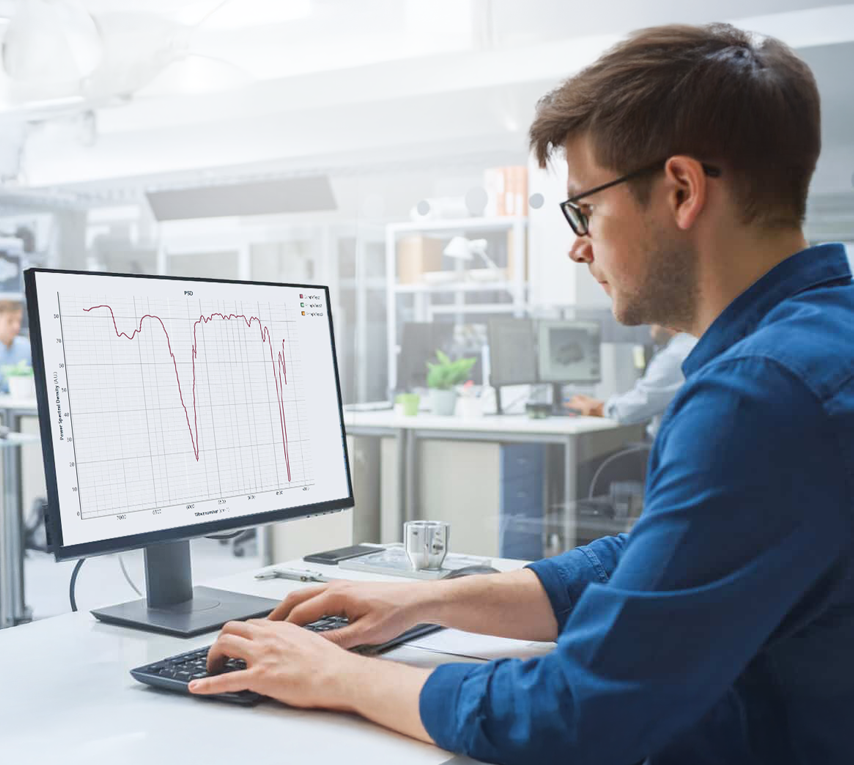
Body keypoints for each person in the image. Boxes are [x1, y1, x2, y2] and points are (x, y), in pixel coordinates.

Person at [188, 23, 854, 764]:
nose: (579, 244)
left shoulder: (760, 396)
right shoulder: (820, 343)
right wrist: (425, 600)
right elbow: (657, 565)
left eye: (585, 208)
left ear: (681, 189)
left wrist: (340, 675)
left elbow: (581, 713)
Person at [565, 323, 697, 438]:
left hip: (668, 449)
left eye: (655, 319)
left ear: (668, 322)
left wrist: (598, 408)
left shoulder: (674, 356)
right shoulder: (693, 346)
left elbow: (635, 408)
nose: (650, 325)